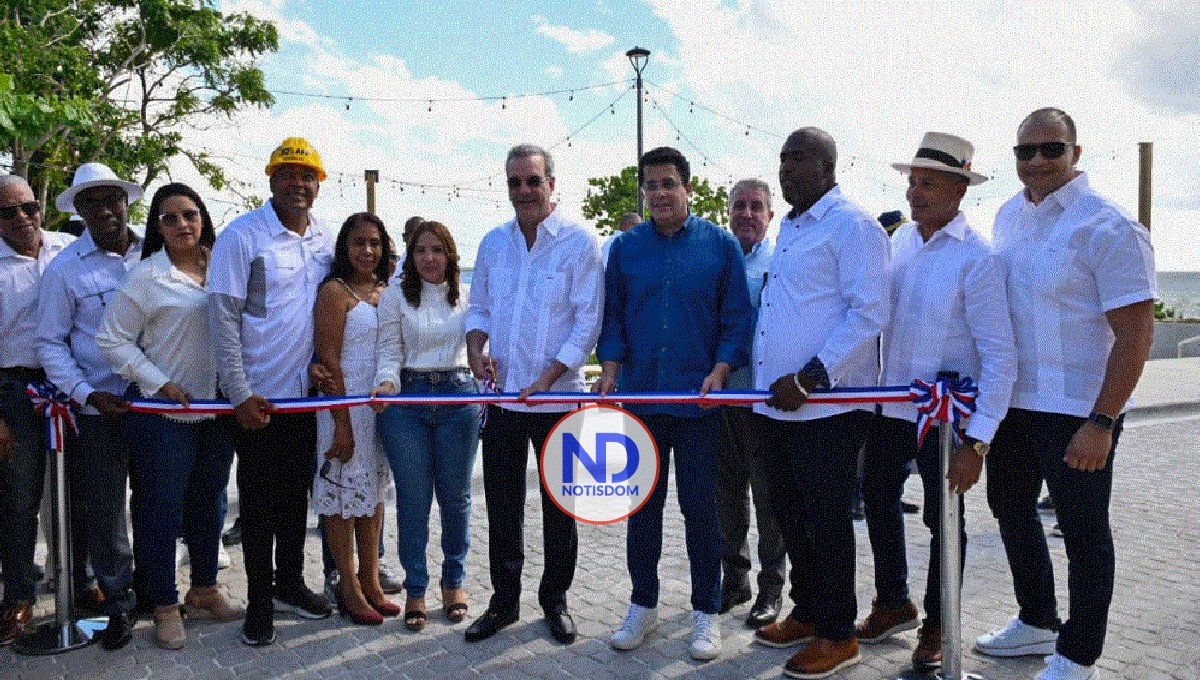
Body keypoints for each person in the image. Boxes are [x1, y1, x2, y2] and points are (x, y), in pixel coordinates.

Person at [975, 108, 1155, 680]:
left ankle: (1079, 655)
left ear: (1076, 152)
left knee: (1083, 531)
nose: (1036, 161)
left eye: (1050, 149)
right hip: (1015, 405)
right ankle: (1037, 621)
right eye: (1024, 152)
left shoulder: (1109, 226)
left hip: (1078, 409)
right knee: (1009, 511)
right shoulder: (1007, 216)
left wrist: (1103, 420)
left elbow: (1136, 332)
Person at [855, 133, 1016, 671]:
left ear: (958, 190)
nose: (914, 191)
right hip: (891, 406)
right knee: (876, 497)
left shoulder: (978, 259)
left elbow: (1000, 356)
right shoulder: (899, 243)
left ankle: (939, 626)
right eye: (911, 181)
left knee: (944, 521)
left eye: (927, 183)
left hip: (945, 421)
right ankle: (892, 600)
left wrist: (980, 440)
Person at [597, 146, 753, 661]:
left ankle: (706, 613)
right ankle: (643, 604)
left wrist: (721, 371)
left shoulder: (721, 246)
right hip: (642, 399)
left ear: (688, 187)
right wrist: (611, 376)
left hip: (699, 404)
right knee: (642, 506)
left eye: (668, 184)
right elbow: (614, 318)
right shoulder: (625, 248)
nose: (659, 194)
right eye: (651, 186)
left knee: (700, 508)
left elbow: (736, 320)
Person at [751, 127, 889, 678]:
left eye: (798, 159)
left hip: (826, 408)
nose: (786, 169)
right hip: (776, 407)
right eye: (782, 159)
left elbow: (869, 312)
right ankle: (807, 612)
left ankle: (838, 634)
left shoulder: (852, 227)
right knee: (791, 517)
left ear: (829, 165)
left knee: (826, 521)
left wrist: (810, 377)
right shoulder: (792, 226)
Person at [464, 143, 604, 644]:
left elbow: (588, 322)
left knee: (559, 507)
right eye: (515, 182)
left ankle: (555, 600)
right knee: (502, 504)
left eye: (532, 181)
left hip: (558, 398)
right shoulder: (493, 243)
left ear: (551, 183)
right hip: (502, 400)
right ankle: (503, 602)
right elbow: (477, 308)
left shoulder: (578, 243)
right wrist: (475, 348)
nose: (524, 191)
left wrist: (545, 380)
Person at [95, 183, 244, 649]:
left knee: (210, 505)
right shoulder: (147, 276)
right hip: (164, 416)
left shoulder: (223, 264)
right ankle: (162, 603)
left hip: (218, 410)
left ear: (203, 217)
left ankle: (204, 589)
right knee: (159, 513)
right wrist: (158, 381)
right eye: (169, 218)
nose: (182, 224)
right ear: (156, 227)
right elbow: (111, 340)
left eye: (190, 214)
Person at [208, 137, 335, 646]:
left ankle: (290, 585)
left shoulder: (325, 238)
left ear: (318, 184)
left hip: (305, 398)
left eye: (308, 176)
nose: (298, 184)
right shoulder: (243, 236)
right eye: (288, 174)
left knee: (294, 502)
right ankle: (259, 602)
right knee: (258, 506)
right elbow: (222, 318)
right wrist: (238, 394)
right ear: (271, 178)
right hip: (257, 399)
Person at [36, 162, 145, 650]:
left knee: (156, 503)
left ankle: (158, 592)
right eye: (91, 202)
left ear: (126, 201)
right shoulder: (65, 270)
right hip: (99, 408)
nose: (104, 210)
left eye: (111, 199)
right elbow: (51, 344)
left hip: (158, 405)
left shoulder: (158, 250)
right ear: (78, 211)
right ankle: (118, 601)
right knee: (104, 511)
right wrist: (84, 394)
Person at [373, 220, 480, 632]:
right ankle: (416, 587)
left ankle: (453, 583)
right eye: (421, 251)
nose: (429, 258)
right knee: (414, 501)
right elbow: (388, 350)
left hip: (458, 398)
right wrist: (386, 383)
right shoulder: (395, 296)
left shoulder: (468, 296)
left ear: (450, 254)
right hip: (408, 401)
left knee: (455, 500)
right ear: (410, 256)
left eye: (437, 250)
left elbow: (478, 348)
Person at [310, 212, 399, 627]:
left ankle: (371, 578)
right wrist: (342, 421)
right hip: (342, 407)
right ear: (345, 248)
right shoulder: (334, 291)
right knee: (341, 497)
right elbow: (327, 358)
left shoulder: (388, 290)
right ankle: (346, 584)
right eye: (359, 242)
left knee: (372, 495)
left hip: (378, 409)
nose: (367, 251)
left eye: (375, 243)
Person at [0, 175, 74, 645]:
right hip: (13, 389)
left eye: (28, 207)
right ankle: (18, 598)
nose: (23, 218)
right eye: (8, 212)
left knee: (78, 496)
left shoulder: (69, 248)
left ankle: (80, 585)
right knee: (18, 503)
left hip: (70, 385)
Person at [715, 178, 788, 630]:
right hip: (722, 400)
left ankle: (771, 588)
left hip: (764, 403)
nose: (746, 213)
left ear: (769, 215)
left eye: (755, 206)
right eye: (739, 205)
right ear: (728, 212)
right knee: (726, 500)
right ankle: (735, 581)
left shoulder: (781, 262)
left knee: (769, 503)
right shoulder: (716, 260)